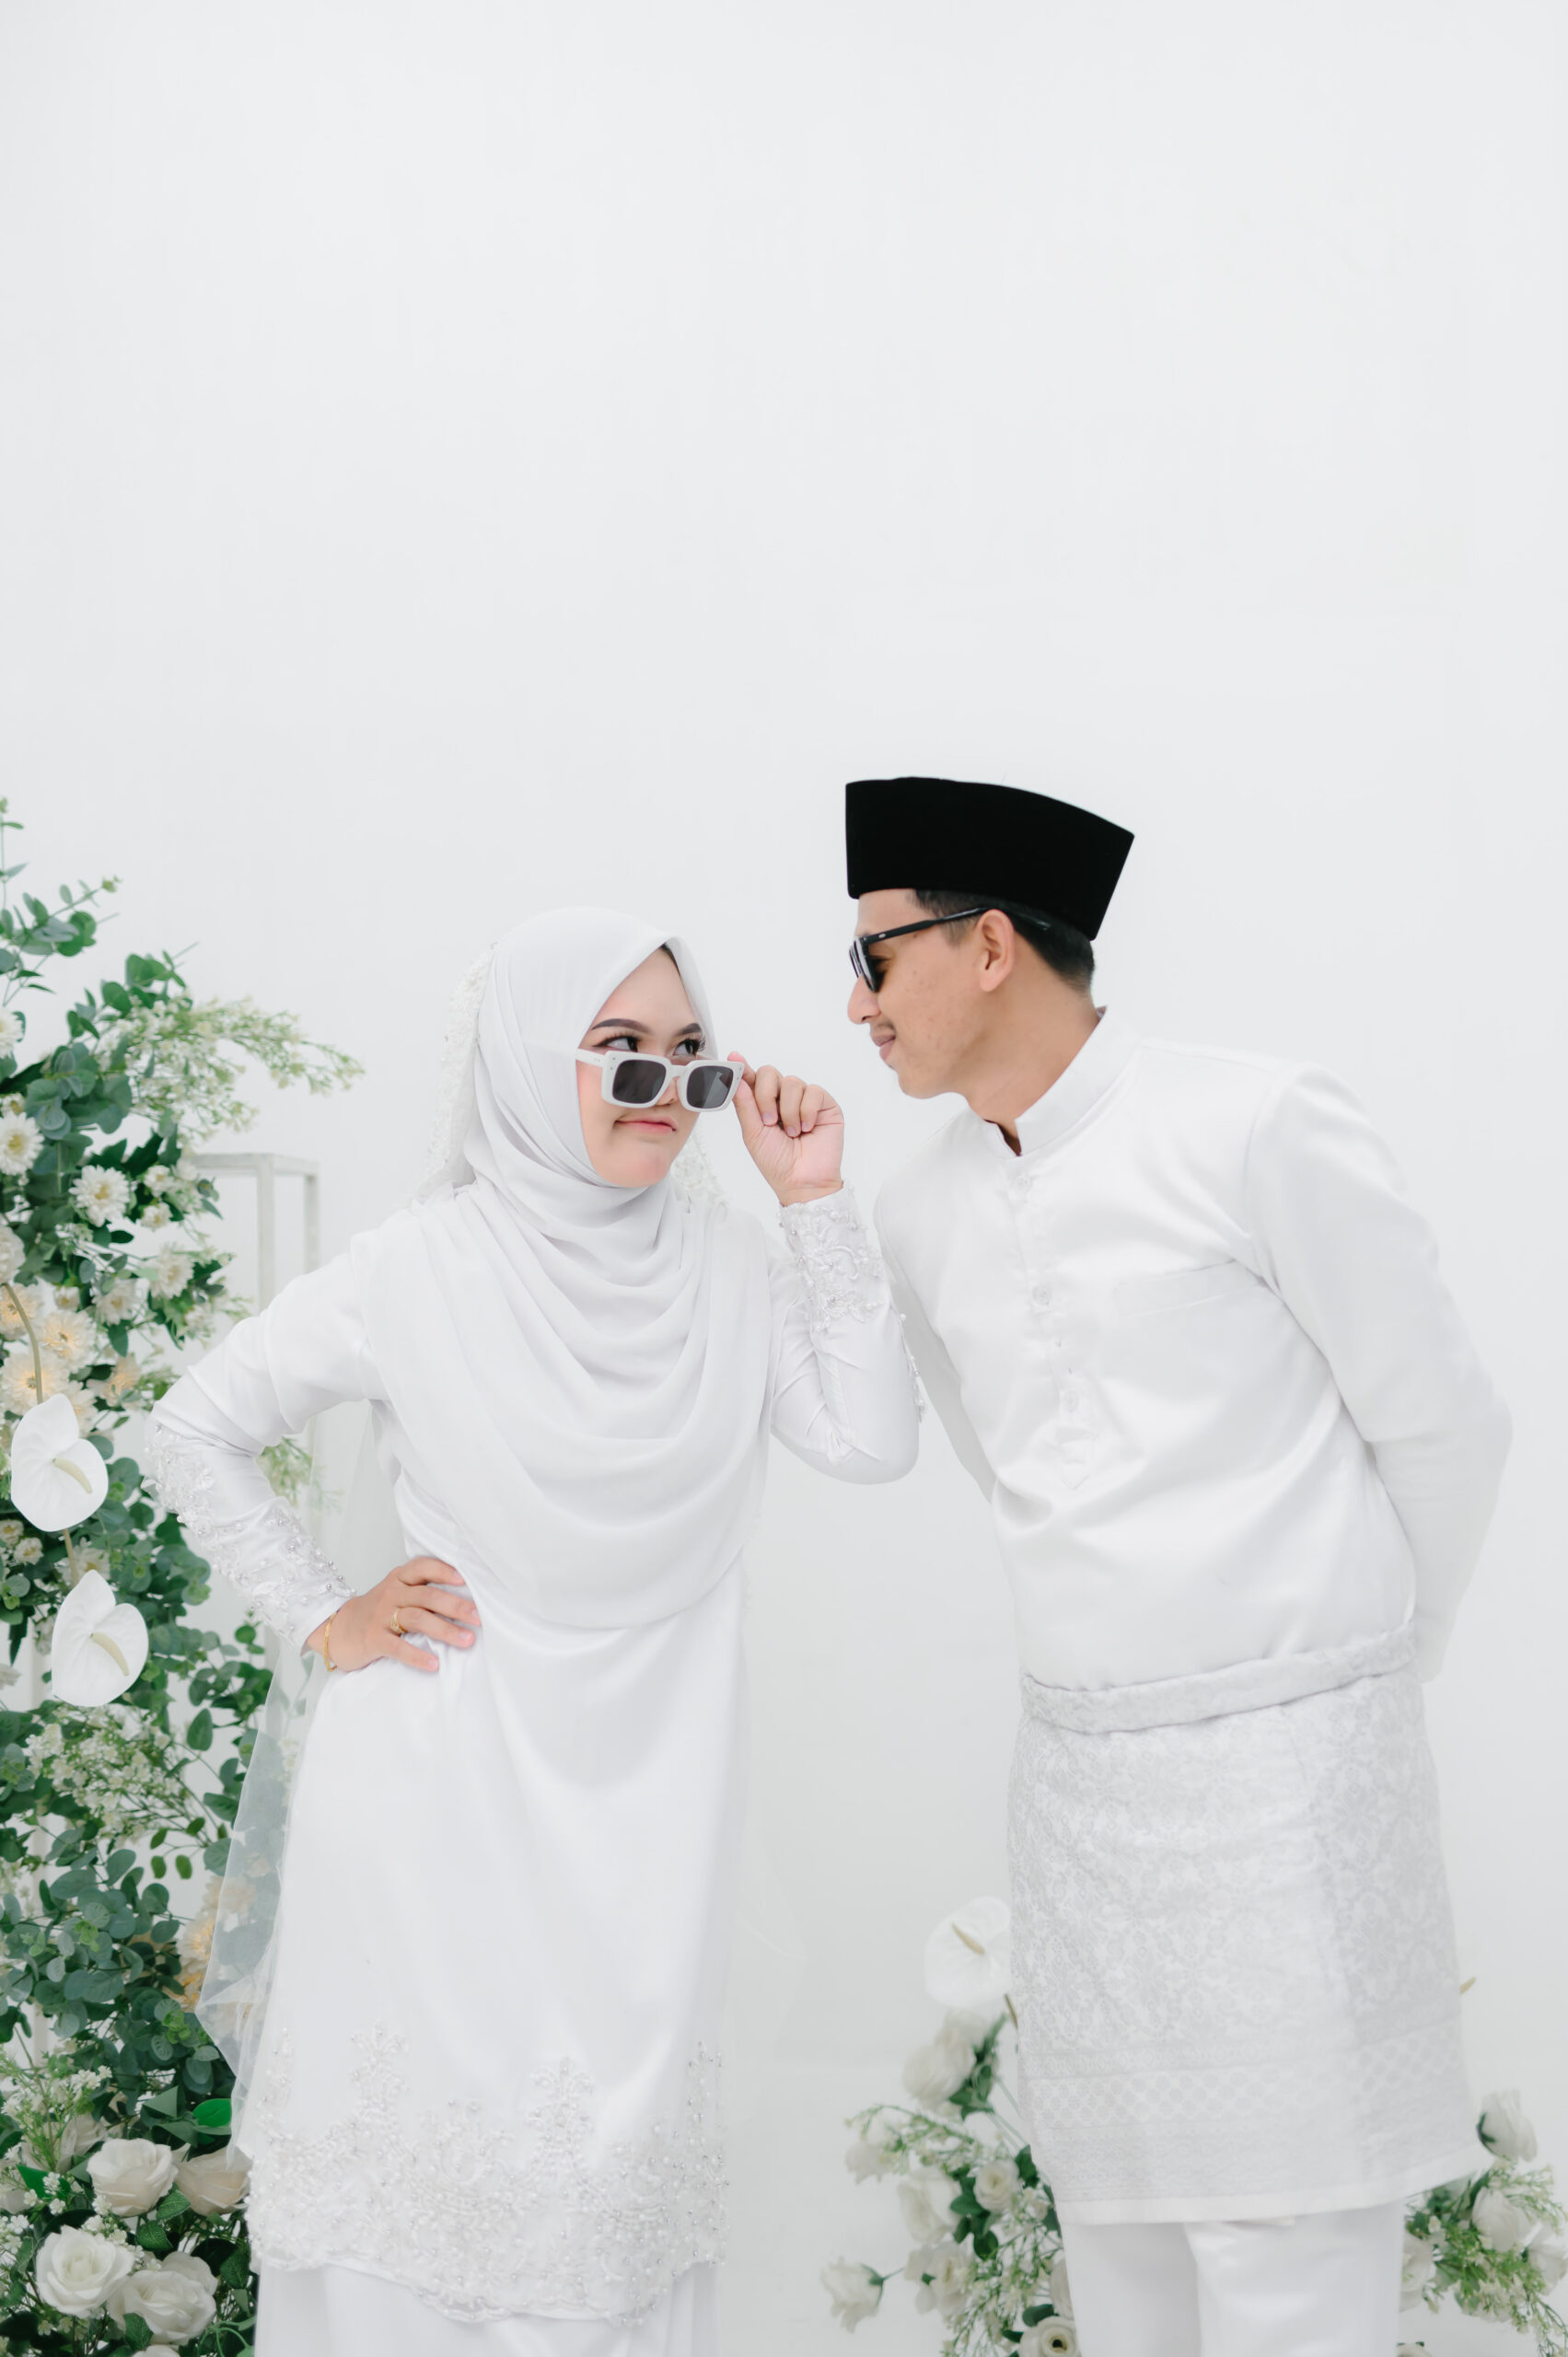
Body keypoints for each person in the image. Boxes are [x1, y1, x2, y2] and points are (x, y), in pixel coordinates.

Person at [148, 905, 918, 2357]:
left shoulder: (733, 1267)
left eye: (693, 1063)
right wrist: (326, 1611)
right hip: (434, 1813)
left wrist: (813, 1199)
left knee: (604, 2249)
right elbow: (196, 1427)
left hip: (648, 1840)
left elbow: (872, 1441)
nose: (664, 1093)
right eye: (620, 1053)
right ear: (521, 1059)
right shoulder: (416, 1268)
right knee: (411, 2243)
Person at [842, 775, 1510, 2357]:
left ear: (989, 945)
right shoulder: (920, 1209)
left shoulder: (1254, 1122)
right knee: (1121, 2253)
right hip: (1083, 1803)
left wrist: (1354, 1678)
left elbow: (1444, 1424)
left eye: (875, 960)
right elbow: (1007, 1470)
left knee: (1294, 2258)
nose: (855, 1005)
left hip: (1295, 1783)